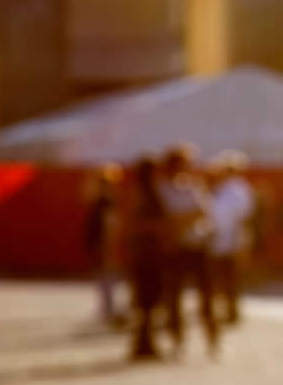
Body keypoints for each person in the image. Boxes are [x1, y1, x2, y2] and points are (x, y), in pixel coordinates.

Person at [156, 147, 219, 357]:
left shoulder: (194, 186)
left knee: (207, 296)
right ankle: (177, 340)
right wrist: (185, 219)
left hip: (198, 247)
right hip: (176, 249)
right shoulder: (163, 189)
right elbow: (166, 218)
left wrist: (180, 220)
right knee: (174, 297)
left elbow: (203, 212)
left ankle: (212, 340)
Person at [119, 157, 171, 361]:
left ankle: (145, 341)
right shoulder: (144, 194)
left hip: (146, 254)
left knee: (148, 301)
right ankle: (143, 342)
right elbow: (137, 223)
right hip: (147, 255)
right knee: (146, 300)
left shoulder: (143, 192)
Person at [205, 152, 255, 325]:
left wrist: (240, 242)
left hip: (232, 241)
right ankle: (222, 309)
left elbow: (243, 218)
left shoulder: (239, 190)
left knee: (231, 278)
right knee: (219, 278)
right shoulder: (219, 189)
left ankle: (232, 311)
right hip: (216, 241)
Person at [84, 162, 125, 327]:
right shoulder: (102, 200)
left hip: (104, 242)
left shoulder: (107, 201)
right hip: (100, 241)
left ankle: (109, 308)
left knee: (107, 277)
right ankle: (108, 308)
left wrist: (108, 244)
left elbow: (110, 223)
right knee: (104, 276)